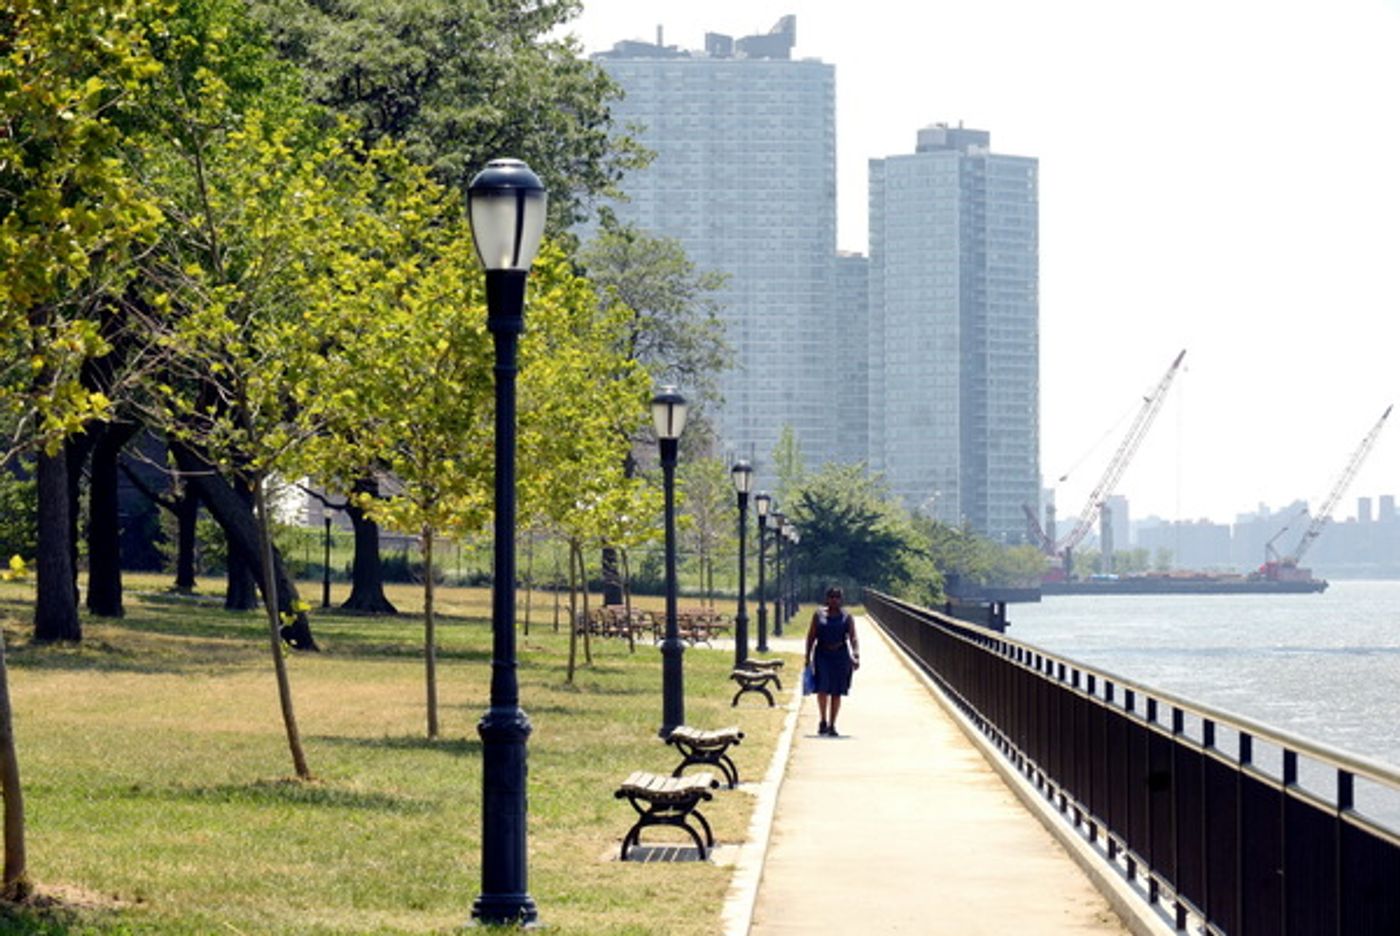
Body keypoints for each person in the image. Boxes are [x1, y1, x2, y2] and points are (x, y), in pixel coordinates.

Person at [805, 586, 859, 736]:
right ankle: (823, 720)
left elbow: (853, 637)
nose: (834, 600)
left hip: (840, 655)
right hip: (822, 653)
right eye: (831, 597)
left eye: (837, 597)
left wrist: (855, 654)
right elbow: (811, 636)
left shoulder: (846, 617)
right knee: (822, 688)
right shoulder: (818, 615)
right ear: (826, 599)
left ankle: (832, 724)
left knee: (837, 691)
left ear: (841, 599)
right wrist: (807, 657)